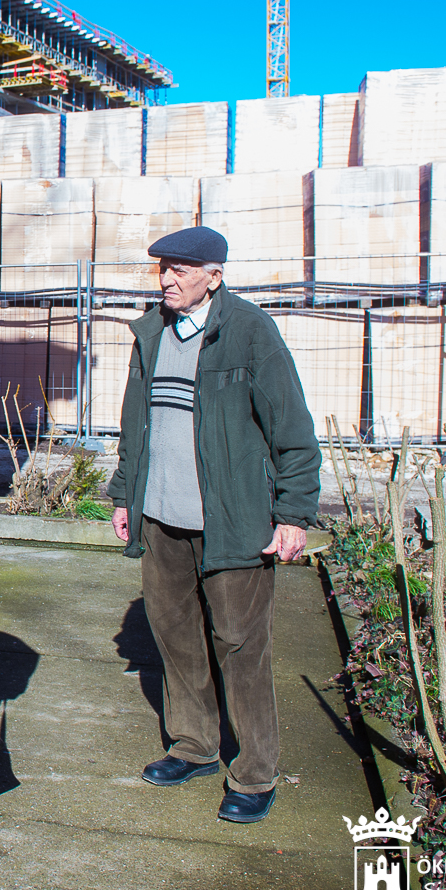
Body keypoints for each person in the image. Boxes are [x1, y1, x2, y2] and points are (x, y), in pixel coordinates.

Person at [107, 226, 320, 823]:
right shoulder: (151, 333)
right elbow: (135, 426)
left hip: (232, 521)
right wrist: (126, 495)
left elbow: (293, 433)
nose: (168, 279)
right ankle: (196, 746)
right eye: (163, 269)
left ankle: (254, 772)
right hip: (162, 518)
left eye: (181, 269)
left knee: (241, 645)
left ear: (214, 276)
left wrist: (294, 514)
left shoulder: (251, 333)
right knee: (174, 635)